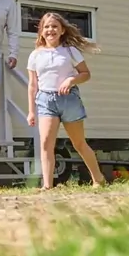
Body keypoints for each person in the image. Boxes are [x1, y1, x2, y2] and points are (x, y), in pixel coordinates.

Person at [25, 12, 107, 190]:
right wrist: (31, 111)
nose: (50, 30)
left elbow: (86, 74)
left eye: (54, 26)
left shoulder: (70, 51)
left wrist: (71, 80)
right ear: (41, 31)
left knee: (78, 143)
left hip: (68, 100)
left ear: (62, 30)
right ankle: (47, 185)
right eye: (46, 27)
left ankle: (98, 178)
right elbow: (32, 85)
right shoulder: (35, 55)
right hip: (46, 101)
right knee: (46, 143)